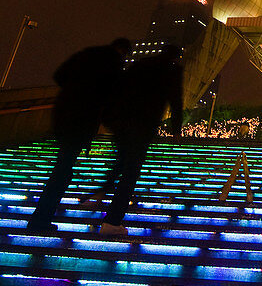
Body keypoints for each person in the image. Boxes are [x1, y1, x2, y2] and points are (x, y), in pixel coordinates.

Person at [27, 37, 132, 230]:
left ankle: (40, 218)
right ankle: (40, 220)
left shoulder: (86, 53)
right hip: (82, 119)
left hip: (63, 114)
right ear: (125, 52)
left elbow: (59, 75)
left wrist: (73, 92)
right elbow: (112, 96)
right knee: (63, 171)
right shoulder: (114, 64)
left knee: (62, 168)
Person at [99, 44, 183, 236]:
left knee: (121, 162)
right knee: (130, 172)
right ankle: (112, 221)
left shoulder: (142, 64)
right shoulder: (172, 70)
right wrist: (176, 129)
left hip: (122, 120)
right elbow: (176, 99)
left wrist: (109, 116)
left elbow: (119, 86)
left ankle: (101, 192)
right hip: (142, 124)